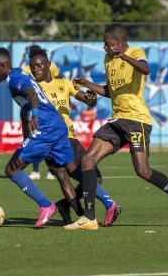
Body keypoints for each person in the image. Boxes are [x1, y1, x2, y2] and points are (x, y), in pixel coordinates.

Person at [68, 24, 168, 230]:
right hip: (117, 119)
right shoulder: (108, 60)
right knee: (87, 160)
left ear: (118, 43)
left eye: (108, 44)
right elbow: (111, 91)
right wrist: (86, 83)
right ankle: (89, 218)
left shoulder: (136, 52)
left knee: (143, 171)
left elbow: (146, 69)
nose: (105, 47)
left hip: (137, 120)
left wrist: (125, 57)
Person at [0, 47, 112, 229]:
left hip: (46, 127)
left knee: (12, 170)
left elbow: (32, 94)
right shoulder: (20, 73)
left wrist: (35, 113)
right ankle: (109, 204)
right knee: (72, 169)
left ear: (2, 64)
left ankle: (46, 205)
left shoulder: (14, 78)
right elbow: (26, 104)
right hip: (58, 125)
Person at [27, 45, 121, 227]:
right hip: (49, 140)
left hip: (69, 137)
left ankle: (65, 205)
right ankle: (84, 215)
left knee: (93, 176)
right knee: (63, 176)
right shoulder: (33, 89)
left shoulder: (64, 84)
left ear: (48, 65)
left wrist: (90, 99)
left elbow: (84, 98)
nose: (35, 69)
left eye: (38, 65)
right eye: (32, 67)